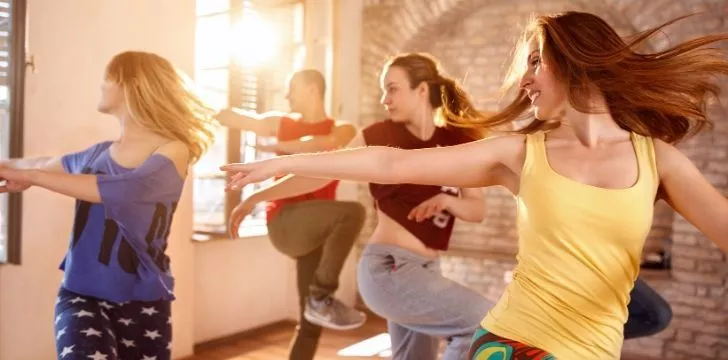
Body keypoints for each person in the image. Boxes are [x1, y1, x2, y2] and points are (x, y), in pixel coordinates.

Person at [221, 11, 728, 359]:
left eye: (534, 61)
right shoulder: (519, 153)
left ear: (576, 61)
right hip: (510, 341)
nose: (523, 80)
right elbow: (392, 165)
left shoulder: (657, 160)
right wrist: (275, 170)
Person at [228, 53, 493, 360]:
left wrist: (448, 200)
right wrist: (255, 196)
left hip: (427, 270)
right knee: (483, 325)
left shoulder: (456, 140)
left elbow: (477, 210)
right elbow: (318, 175)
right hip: (389, 269)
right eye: (384, 90)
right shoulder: (379, 135)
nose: (384, 99)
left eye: (392, 89)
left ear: (422, 90)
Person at [0, 51, 217, 360]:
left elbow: (127, 190)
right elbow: (38, 163)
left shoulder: (172, 150)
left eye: (107, 78)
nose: (101, 86)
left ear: (131, 85)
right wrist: (16, 170)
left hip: (144, 303)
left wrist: (33, 177)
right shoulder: (95, 155)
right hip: (80, 295)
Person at [215, 69, 367, 360]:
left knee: (311, 321)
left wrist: (280, 148)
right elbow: (243, 119)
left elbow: (325, 144)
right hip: (286, 221)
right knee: (352, 213)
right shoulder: (279, 122)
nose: (287, 96)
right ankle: (322, 294)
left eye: (292, 89)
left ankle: (318, 301)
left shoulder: (343, 129)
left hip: (317, 232)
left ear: (312, 89)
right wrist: (208, 110)